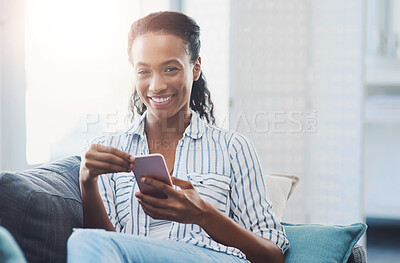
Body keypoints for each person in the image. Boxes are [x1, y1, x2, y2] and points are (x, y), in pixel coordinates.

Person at [67, 11, 289, 263]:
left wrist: (204, 215)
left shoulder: (233, 148)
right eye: (144, 72)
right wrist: (87, 183)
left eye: (170, 69)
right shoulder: (111, 148)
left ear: (195, 68)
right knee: (84, 240)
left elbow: (274, 256)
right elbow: (107, 247)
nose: (157, 85)